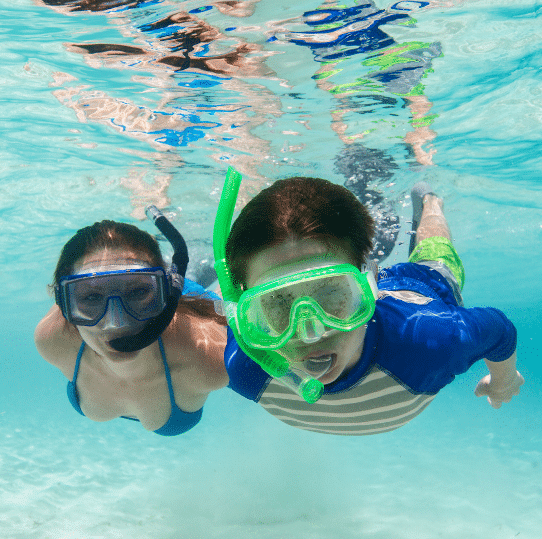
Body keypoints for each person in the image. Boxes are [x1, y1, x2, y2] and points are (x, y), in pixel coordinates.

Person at [214, 168, 524, 435]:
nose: (311, 331)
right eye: (278, 302)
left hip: (421, 286)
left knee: (437, 253)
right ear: (244, 315)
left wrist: (504, 380)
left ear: (369, 289)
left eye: (331, 293)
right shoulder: (243, 367)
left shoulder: (430, 341)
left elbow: (498, 330)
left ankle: (431, 203)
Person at [35, 208, 228, 435]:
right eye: (92, 296)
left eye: (137, 292)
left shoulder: (209, 355)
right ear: (64, 304)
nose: (116, 323)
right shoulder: (51, 339)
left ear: (166, 293)